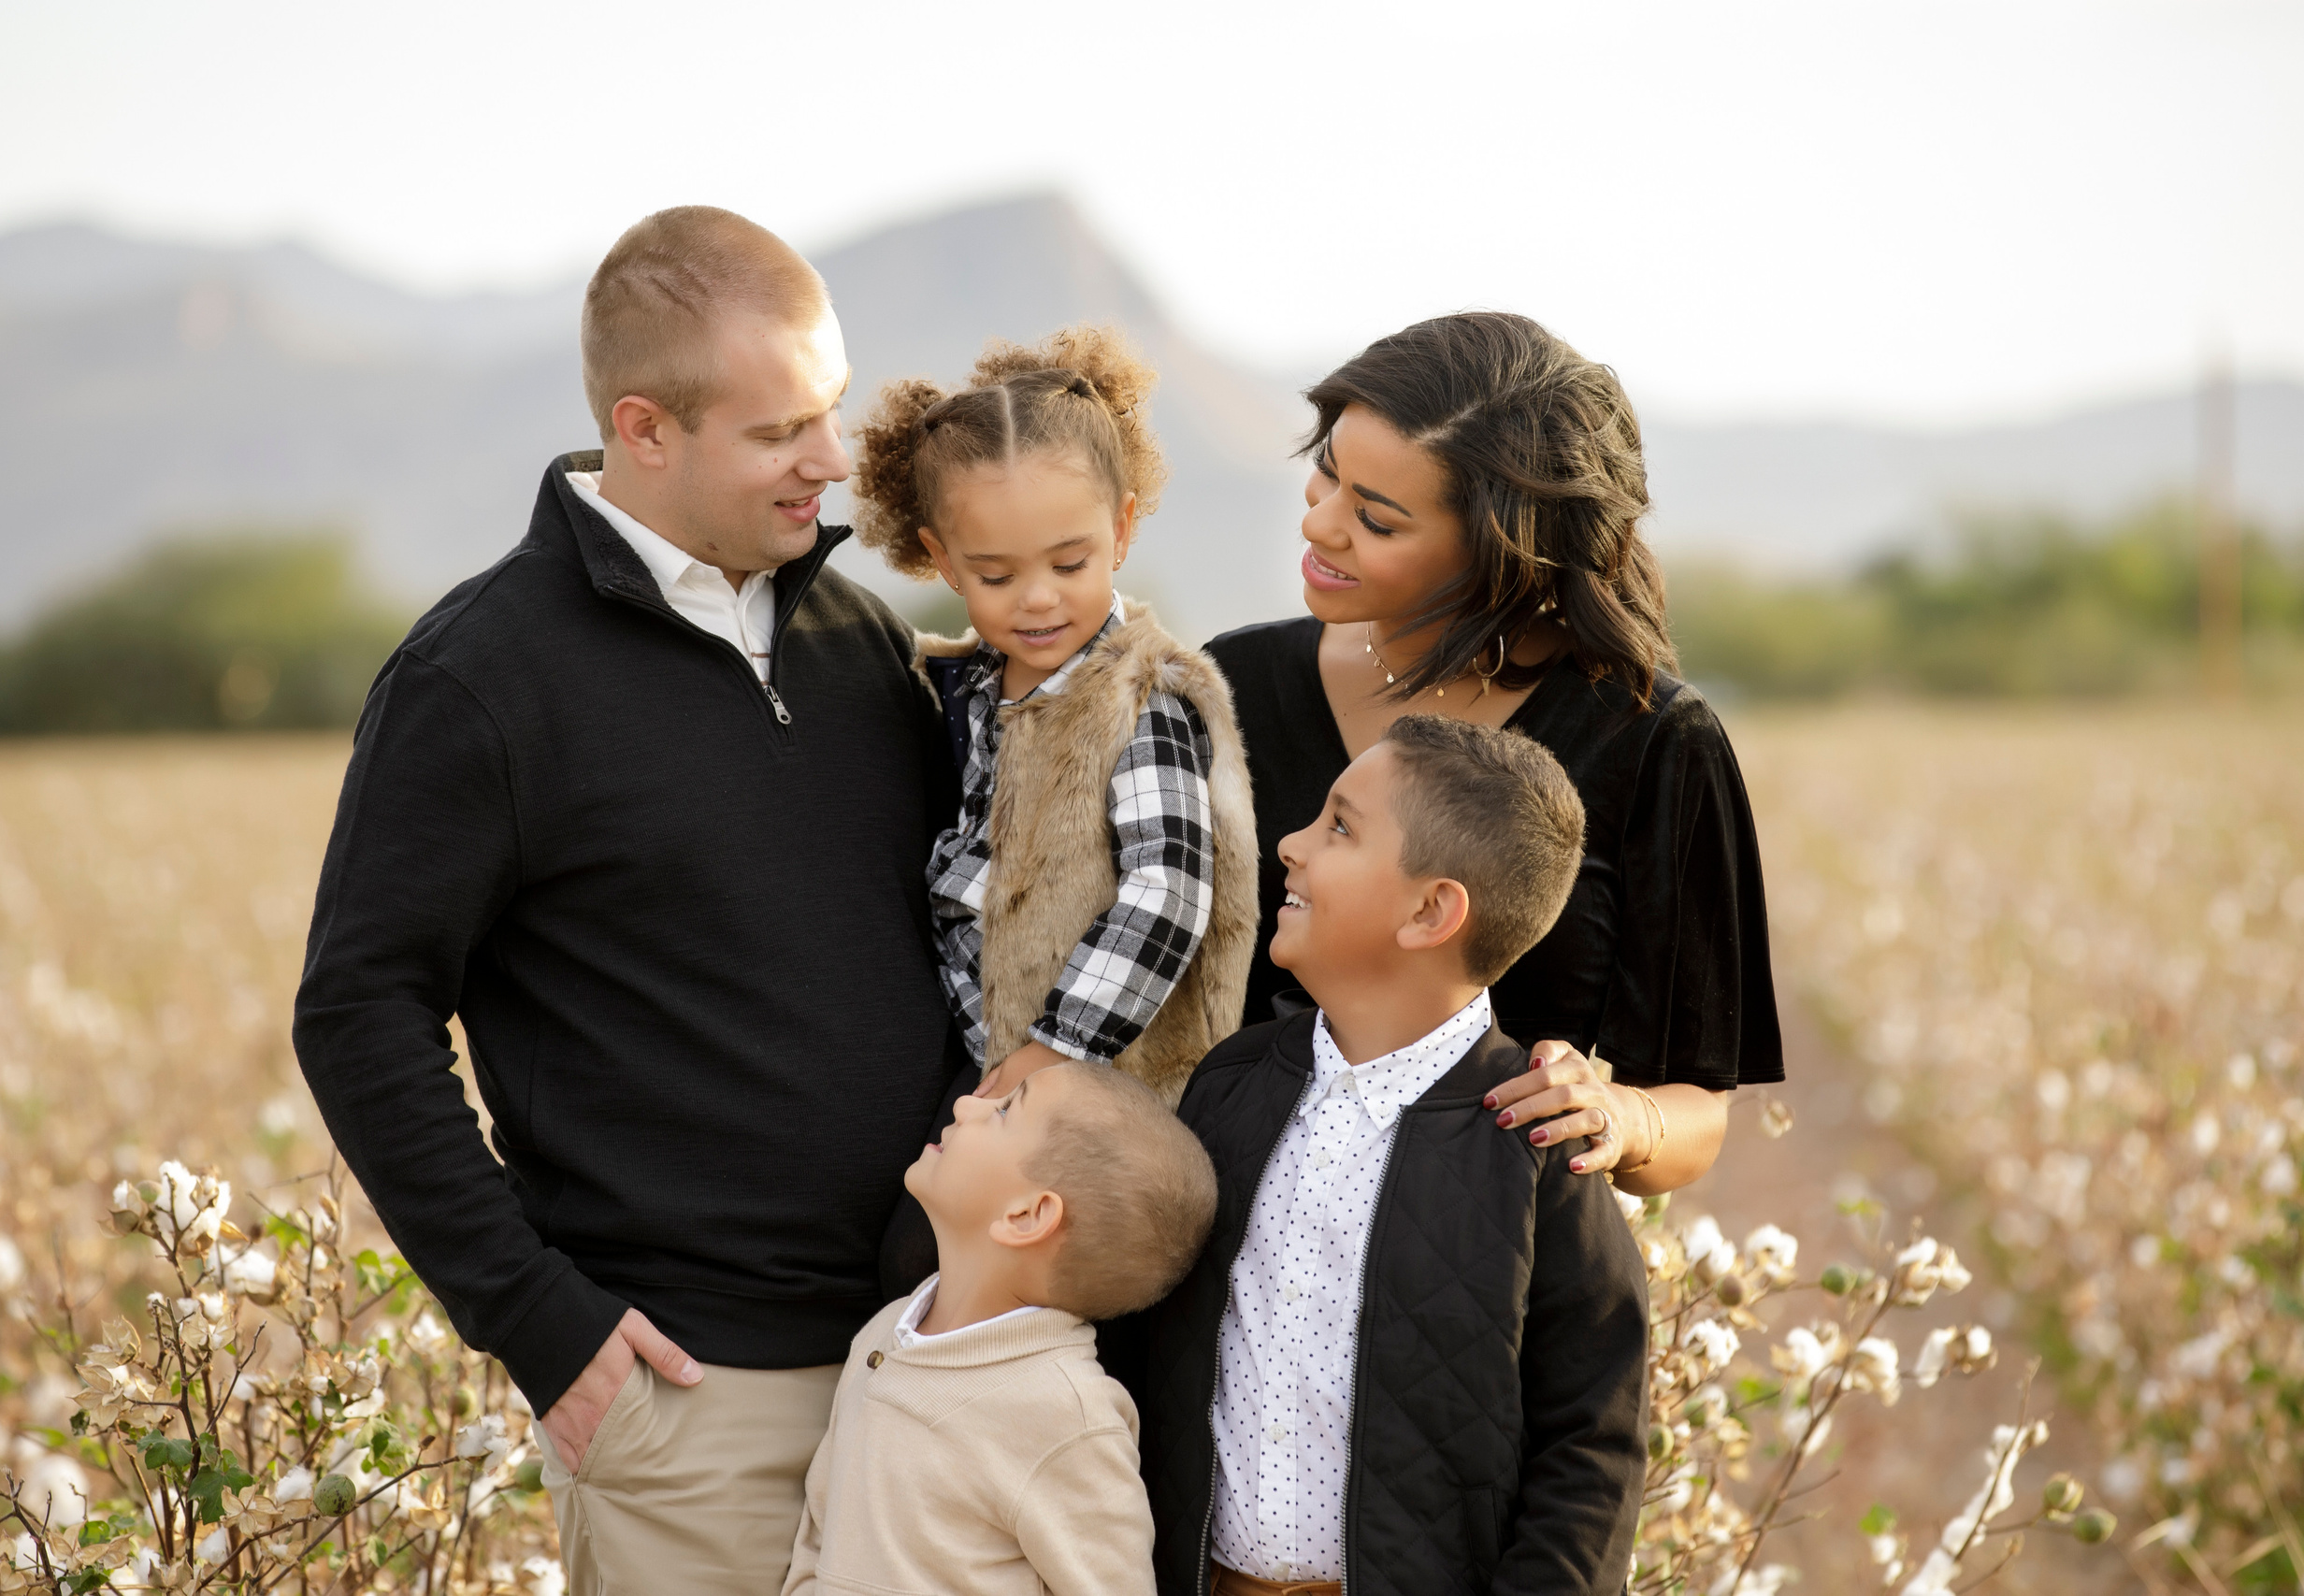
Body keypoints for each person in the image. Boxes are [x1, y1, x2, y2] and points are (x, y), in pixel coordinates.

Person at [292, 206, 963, 1594]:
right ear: (645, 429)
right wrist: (538, 1320)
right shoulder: (480, 679)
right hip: (687, 1396)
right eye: (782, 431)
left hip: (926, 1369)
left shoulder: (859, 639)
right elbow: (361, 1008)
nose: (830, 465)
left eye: (828, 414)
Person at [1202, 311, 1783, 1196]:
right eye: (1326, 474)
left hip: (1481, 1263)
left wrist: (1620, 1117)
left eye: (1379, 520)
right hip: (1226, 1231)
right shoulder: (1229, 686)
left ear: (1505, 552)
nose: (1321, 527)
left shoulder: (1651, 739)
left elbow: (1696, 1106)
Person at [1121, 715, 1649, 1596]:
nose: (1289, 843)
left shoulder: (1535, 1140)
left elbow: (1593, 1435)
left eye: (1339, 825)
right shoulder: (1231, 1084)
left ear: (1431, 911)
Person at [851, 325, 1258, 1107]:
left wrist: (1058, 1045)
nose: (1038, 597)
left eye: (1070, 564)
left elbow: (1167, 888)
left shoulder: (1142, 697)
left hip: (1103, 1093)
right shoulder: (958, 690)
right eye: (995, 574)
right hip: (980, 1075)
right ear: (944, 562)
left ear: (1123, 530)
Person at [785, 1062, 1216, 1596]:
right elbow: (819, 1537)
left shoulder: (1067, 1415)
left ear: (1027, 1216)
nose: (967, 1105)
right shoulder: (881, 1335)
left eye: (1007, 1109)